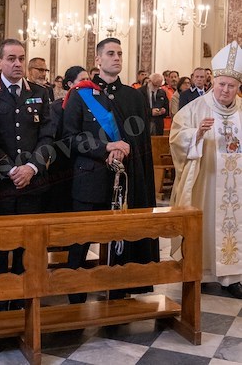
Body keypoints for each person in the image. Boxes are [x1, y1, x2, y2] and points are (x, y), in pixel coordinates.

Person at [62, 37, 158, 303]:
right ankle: (73, 295)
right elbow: (69, 138)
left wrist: (124, 147)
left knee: (120, 241)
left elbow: (140, 140)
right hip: (89, 179)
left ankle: (117, 293)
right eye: (111, 53)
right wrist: (106, 147)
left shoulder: (133, 96)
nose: (116, 58)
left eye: (120, 54)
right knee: (80, 241)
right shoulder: (81, 94)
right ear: (98, 60)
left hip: (124, 181)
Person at [0, 39, 52, 306]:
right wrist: (10, 169)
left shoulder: (41, 93)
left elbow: (48, 136)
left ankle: (24, 301)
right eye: (11, 58)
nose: (17, 63)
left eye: (21, 58)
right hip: (0, 182)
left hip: (33, 182)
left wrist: (31, 168)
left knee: (28, 248)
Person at [170, 41, 242, 298]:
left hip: (238, 186)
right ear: (214, 82)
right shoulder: (194, 109)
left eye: (231, 86)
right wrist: (196, 134)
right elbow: (176, 139)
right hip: (205, 182)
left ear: (238, 87)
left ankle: (233, 276)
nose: (225, 90)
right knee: (205, 222)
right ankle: (200, 271)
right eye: (221, 84)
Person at [46, 66, 88, 213]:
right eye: (82, 80)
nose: (86, 83)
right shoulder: (58, 106)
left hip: (83, 160)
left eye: (88, 80)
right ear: (70, 84)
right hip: (63, 161)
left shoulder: (91, 106)